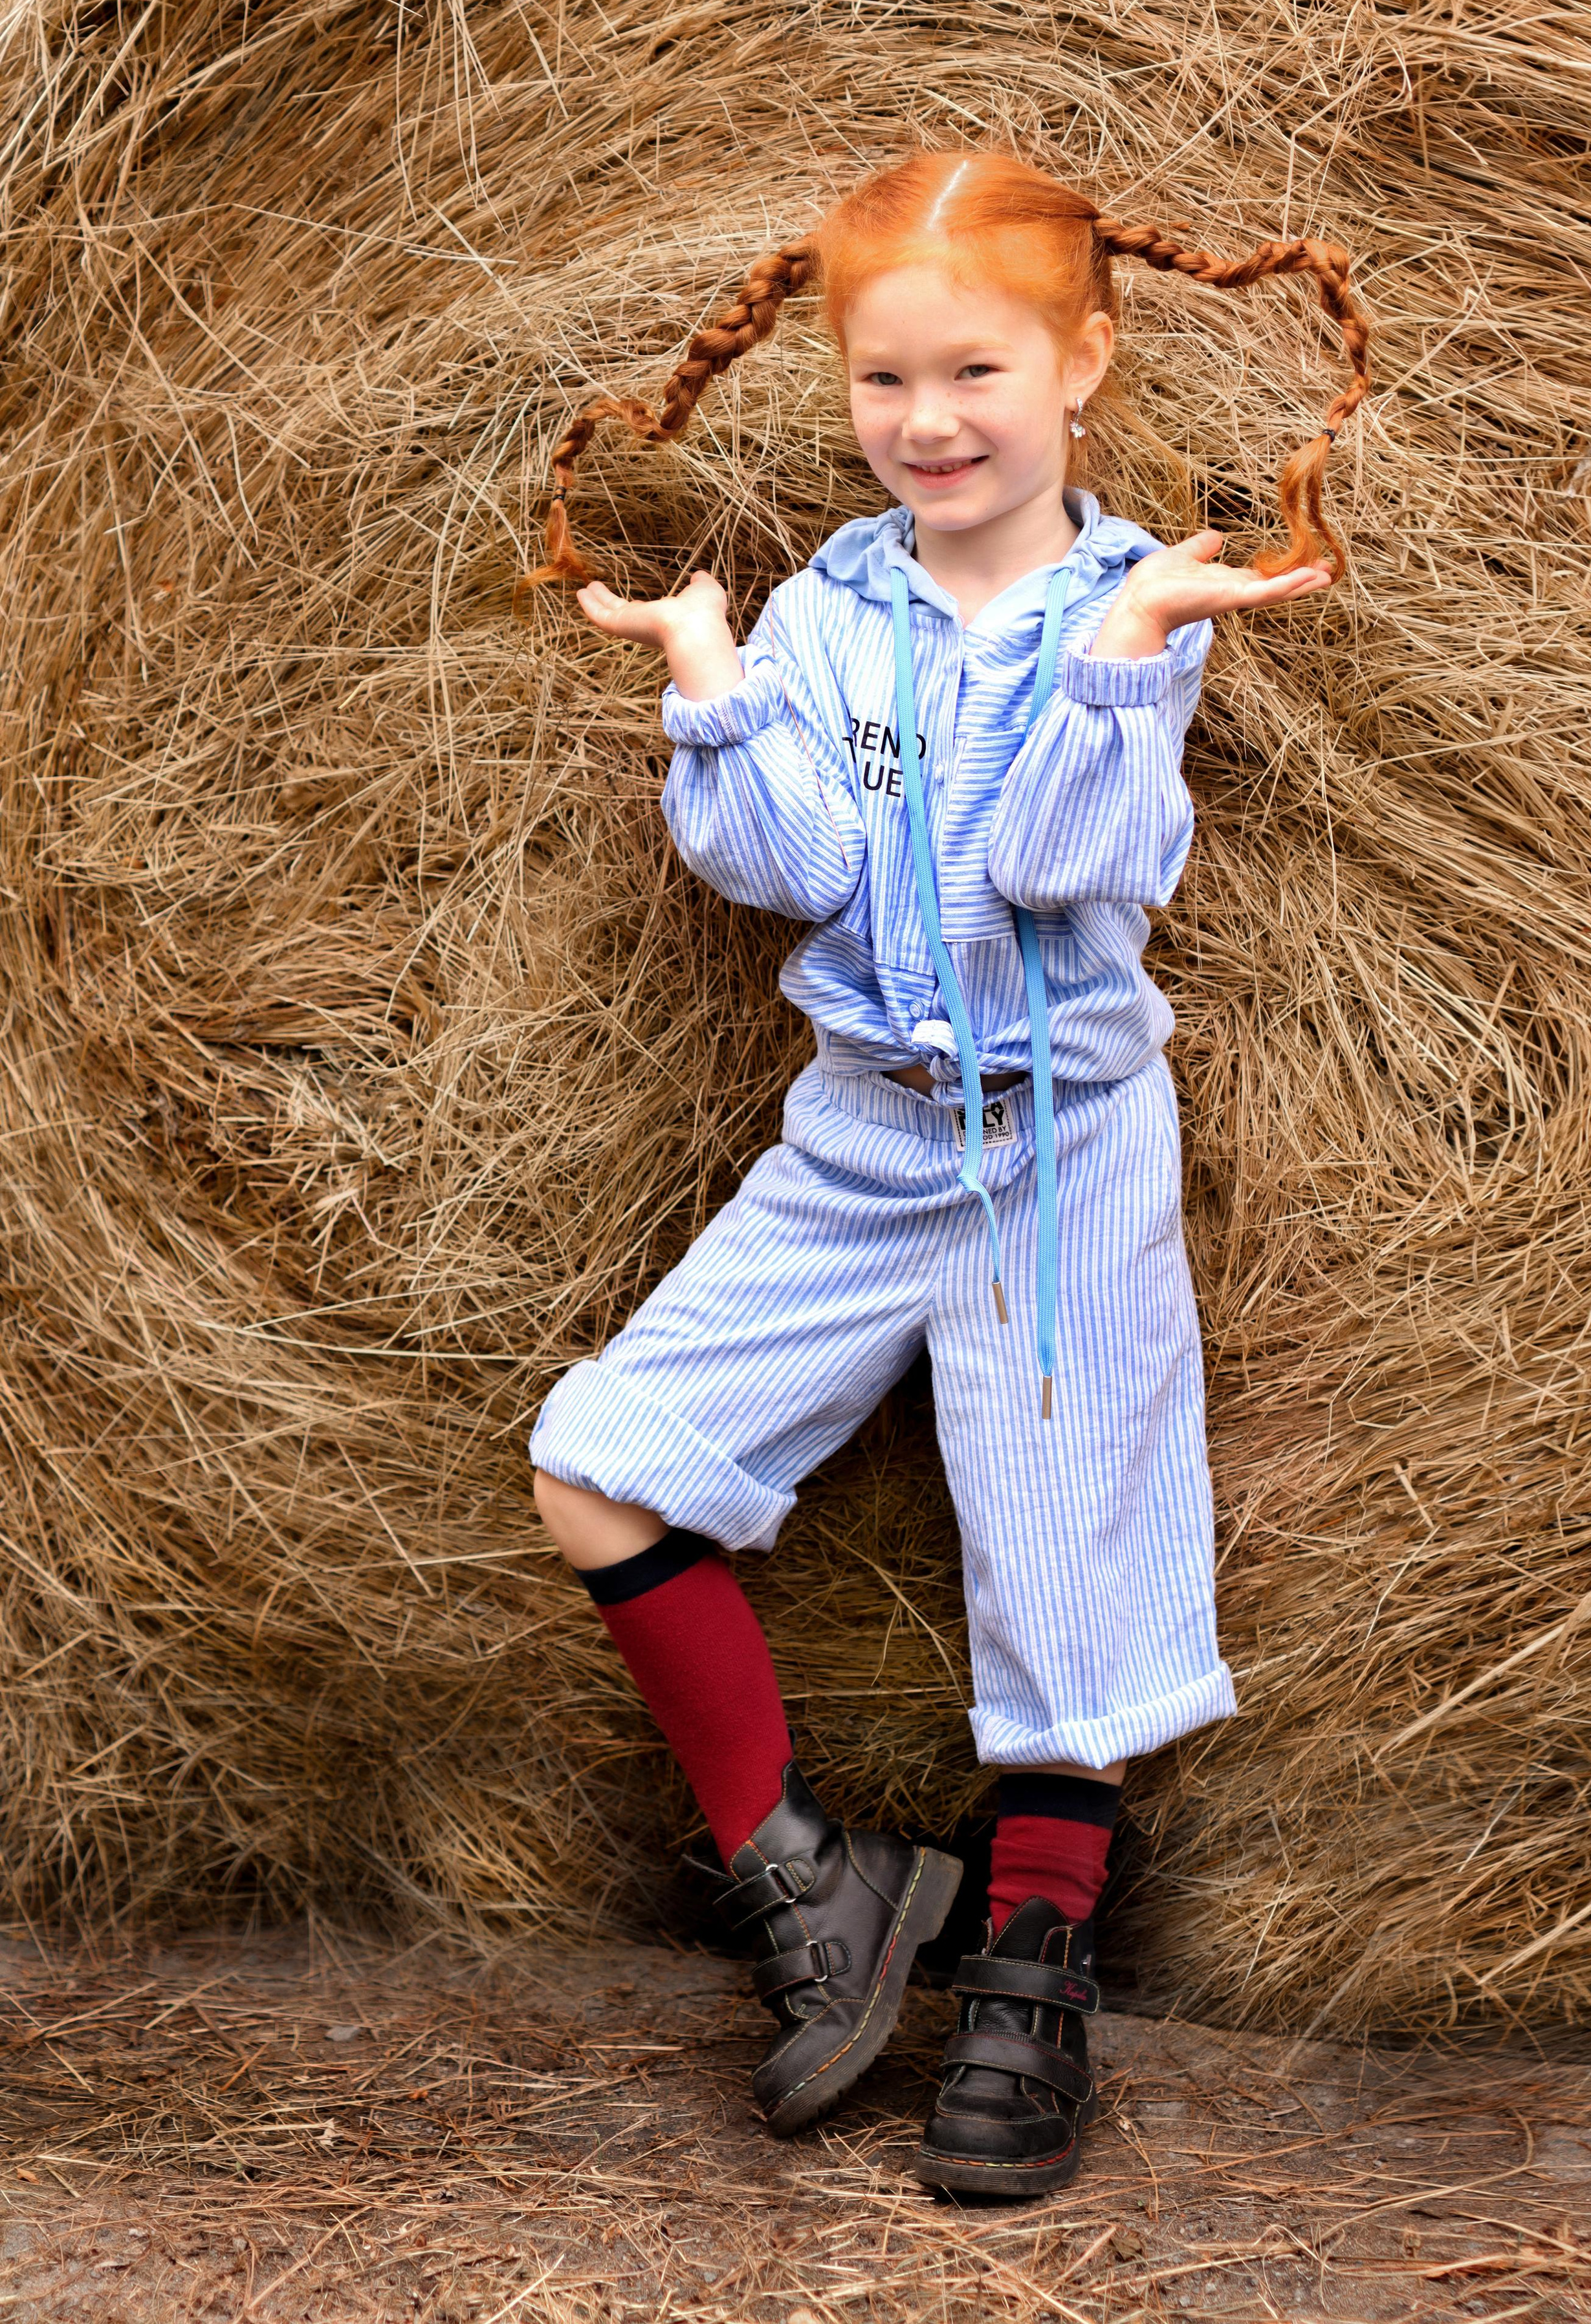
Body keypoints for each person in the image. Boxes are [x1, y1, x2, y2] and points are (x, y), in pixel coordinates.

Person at [525, 152, 1370, 2197]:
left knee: (1065, 1579)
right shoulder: (839, 607)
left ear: (1082, 360)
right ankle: (807, 1876)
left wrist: (1127, 657)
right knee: (597, 1455)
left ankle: (1031, 1971)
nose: (930, 421)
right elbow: (796, 865)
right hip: (863, 1138)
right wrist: (718, 681)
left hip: (1059, 1151)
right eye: (884, 379)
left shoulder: (1126, 602)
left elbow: (1072, 866)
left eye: (974, 368)